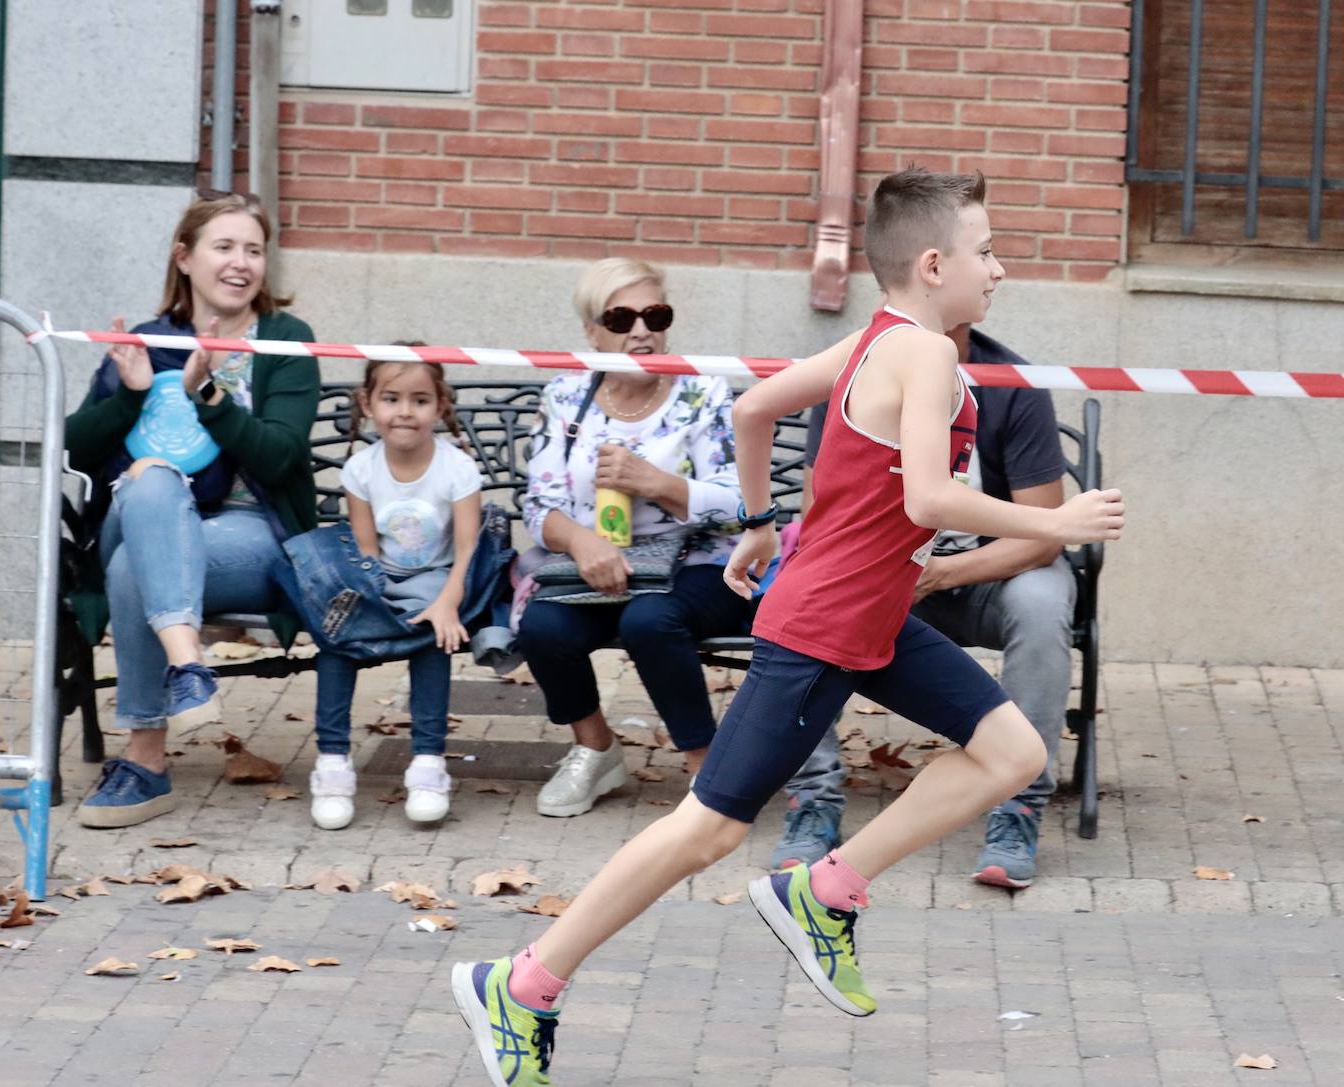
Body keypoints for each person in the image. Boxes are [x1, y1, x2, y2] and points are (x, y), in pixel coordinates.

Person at [451, 167, 1125, 1084]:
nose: (999, 269)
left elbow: (751, 407)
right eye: (988, 251)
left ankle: (826, 891)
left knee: (1012, 753)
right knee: (708, 830)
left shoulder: (877, 338)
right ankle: (520, 982)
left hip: (873, 615)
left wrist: (762, 520)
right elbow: (929, 498)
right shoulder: (923, 354)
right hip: (823, 626)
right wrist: (1058, 521)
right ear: (934, 265)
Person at [770, 324, 1077, 890]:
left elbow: (1043, 536)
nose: (995, 280)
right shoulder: (857, 370)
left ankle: (1018, 806)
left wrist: (941, 573)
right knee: (817, 593)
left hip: (984, 576)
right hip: (885, 577)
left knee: (1043, 598)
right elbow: (821, 514)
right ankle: (812, 799)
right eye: (981, 268)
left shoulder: (1012, 380)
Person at [64, 190, 320, 828]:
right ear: (185, 257)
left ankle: (146, 763)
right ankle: (188, 664)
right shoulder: (148, 341)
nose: (241, 263)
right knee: (152, 482)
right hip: (140, 517)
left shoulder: (286, 341)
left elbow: (281, 459)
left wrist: (209, 395)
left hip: (249, 533)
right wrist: (129, 397)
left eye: (254, 250)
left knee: (132, 568)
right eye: (224, 246)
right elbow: (72, 448)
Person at [516, 257, 749, 818]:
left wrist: (657, 483)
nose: (641, 331)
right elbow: (538, 504)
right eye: (621, 319)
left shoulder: (703, 393)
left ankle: (706, 770)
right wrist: (581, 543)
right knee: (542, 626)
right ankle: (596, 750)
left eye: (655, 316)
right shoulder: (567, 394)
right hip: (599, 564)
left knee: (650, 620)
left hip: (698, 564)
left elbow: (741, 504)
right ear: (592, 332)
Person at [304, 358, 482, 830]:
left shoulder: (457, 468)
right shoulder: (361, 469)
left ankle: (428, 764)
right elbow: (366, 552)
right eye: (391, 399)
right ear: (368, 405)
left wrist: (446, 603)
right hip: (379, 576)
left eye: (420, 400)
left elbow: (468, 549)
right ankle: (332, 763)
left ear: (439, 407)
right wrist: (370, 605)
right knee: (336, 637)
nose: (405, 411)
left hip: (439, 576)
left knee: (432, 634)